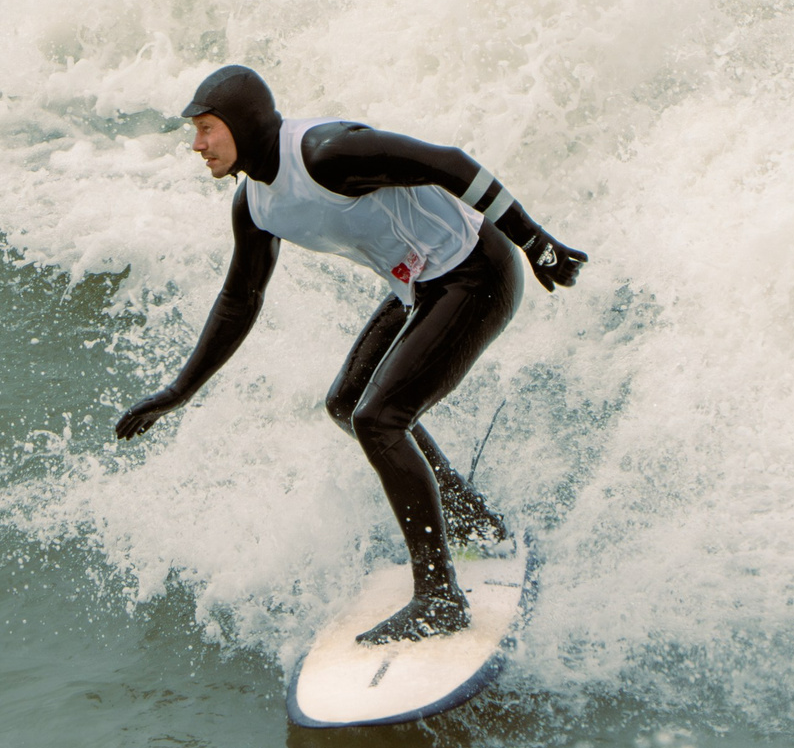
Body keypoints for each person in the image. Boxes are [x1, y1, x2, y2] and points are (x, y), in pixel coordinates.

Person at [113, 64, 587, 644]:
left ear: (241, 123)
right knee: (347, 404)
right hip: (418, 285)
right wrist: (178, 392)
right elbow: (240, 301)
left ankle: (439, 597)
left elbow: (450, 162)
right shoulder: (255, 204)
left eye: (208, 128)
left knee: (380, 418)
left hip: (476, 271)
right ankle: (469, 517)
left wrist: (535, 241)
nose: (197, 144)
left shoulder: (326, 154)